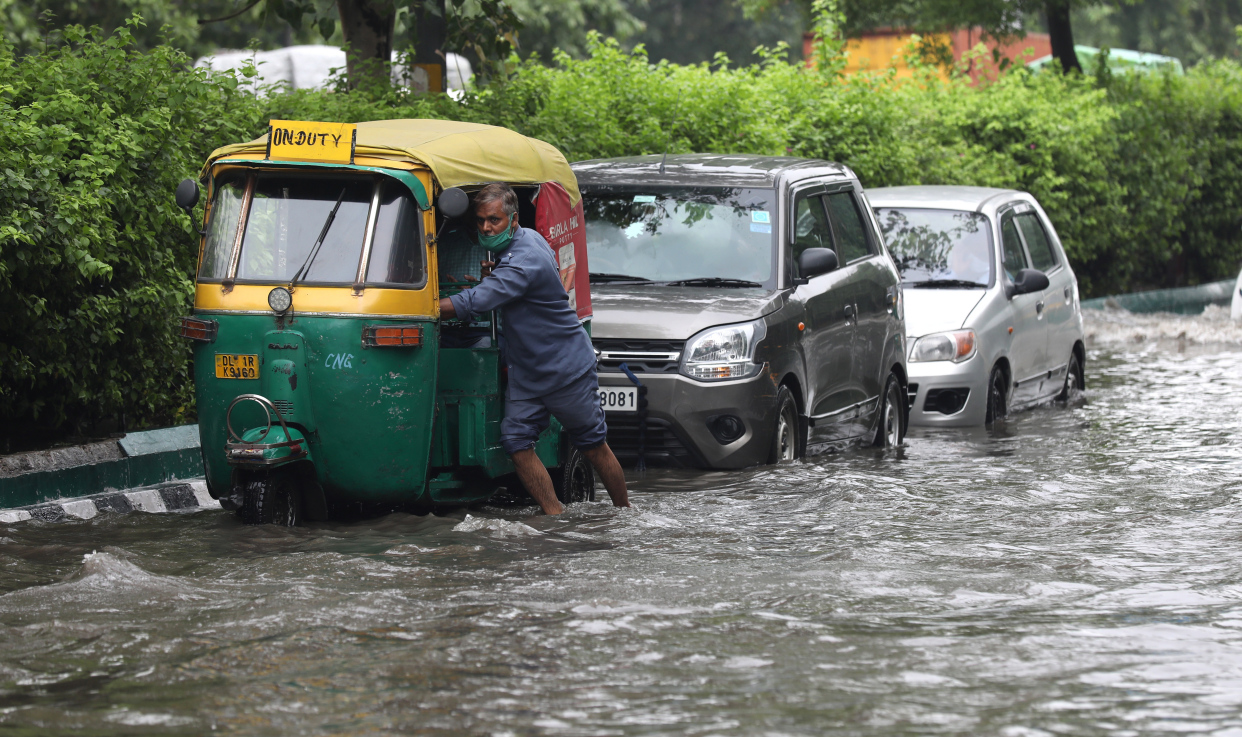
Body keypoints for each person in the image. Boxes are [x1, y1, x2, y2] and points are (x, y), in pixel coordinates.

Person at [439, 183, 631, 515]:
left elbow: (477, 301)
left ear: (513, 220)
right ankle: (554, 517)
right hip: (527, 372)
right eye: (481, 220)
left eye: (494, 220)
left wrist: (418, 304)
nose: (486, 227)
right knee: (516, 443)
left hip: (564, 368)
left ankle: (626, 513)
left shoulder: (522, 259)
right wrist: (495, 272)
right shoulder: (526, 239)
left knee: (593, 446)